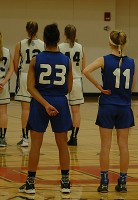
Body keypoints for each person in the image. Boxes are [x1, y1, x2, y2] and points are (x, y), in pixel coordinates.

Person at [18, 23, 73, 194]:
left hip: (40, 103)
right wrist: (54, 100)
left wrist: (45, 103)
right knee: (63, 144)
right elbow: (69, 87)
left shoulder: (36, 59)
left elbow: (30, 87)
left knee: (35, 145)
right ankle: (65, 183)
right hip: (60, 102)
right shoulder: (66, 60)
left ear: (45, 39)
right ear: (58, 39)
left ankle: (31, 183)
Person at [83, 30, 135, 193]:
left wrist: (99, 87)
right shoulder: (132, 62)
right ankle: (123, 182)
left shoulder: (104, 59)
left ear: (110, 43)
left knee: (105, 146)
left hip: (107, 105)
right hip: (124, 107)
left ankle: (104, 181)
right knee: (123, 146)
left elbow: (85, 71)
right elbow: (132, 86)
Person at [13, 21, 44, 147]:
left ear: (26, 29)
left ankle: (25, 138)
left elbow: (15, 64)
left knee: (25, 109)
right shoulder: (43, 44)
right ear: (37, 30)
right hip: (38, 78)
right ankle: (36, 135)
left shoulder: (19, 44)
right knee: (36, 108)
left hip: (25, 76)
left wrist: (21, 76)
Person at [59, 24, 86, 146]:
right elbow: (83, 67)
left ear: (64, 34)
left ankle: (63, 135)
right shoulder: (80, 47)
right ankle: (74, 136)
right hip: (76, 80)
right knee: (76, 111)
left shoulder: (60, 47)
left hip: (63, 81)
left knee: (63, 110)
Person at [0, 32, 14, 147]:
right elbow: (11, 69)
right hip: (3, 85)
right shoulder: (7, 51)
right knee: (3, 112)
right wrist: (4, 82)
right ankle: (2, 138)